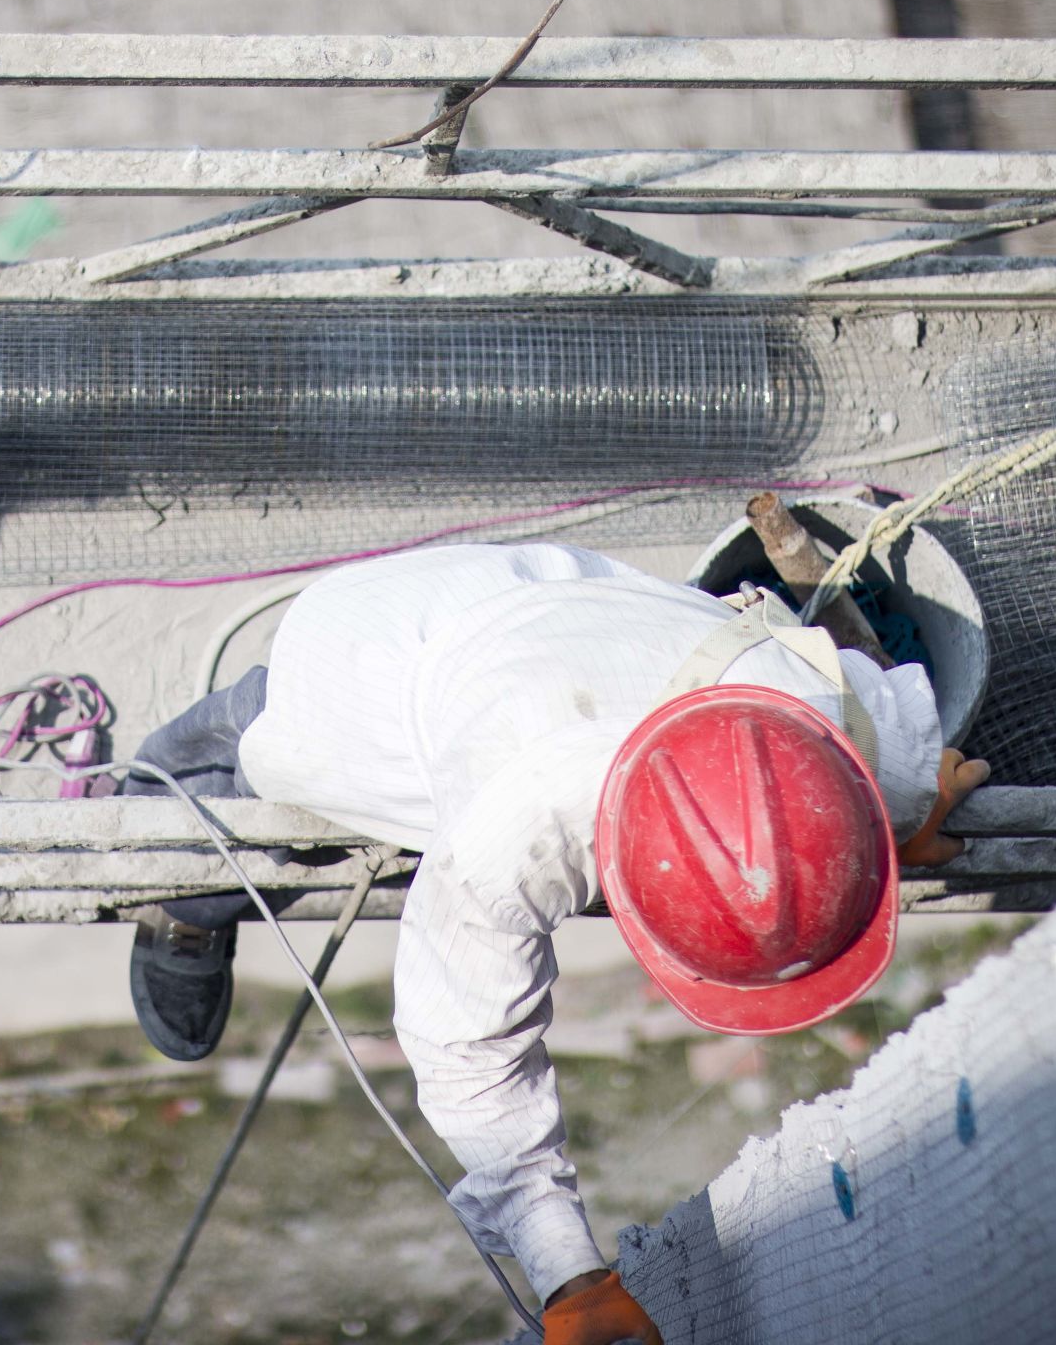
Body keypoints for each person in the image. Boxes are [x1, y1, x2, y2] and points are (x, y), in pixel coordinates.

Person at [122, 543, 986, 1345]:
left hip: (561, 602)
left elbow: (896, 747)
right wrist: (564, 1272)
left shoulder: (812, 730)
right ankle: (181, 897)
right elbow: (469, 1051)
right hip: (378, 647)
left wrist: (870, 838)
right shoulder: (520, 829)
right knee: (248, 765)